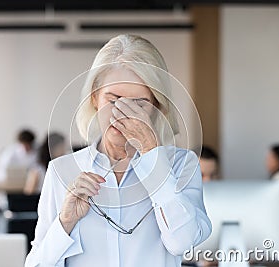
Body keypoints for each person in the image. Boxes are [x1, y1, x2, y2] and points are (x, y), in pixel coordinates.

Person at [25, 34, 211, 267]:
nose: (124, 113)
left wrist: (152, 154)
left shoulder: (182, 165)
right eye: (113, 100)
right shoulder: (62, 170)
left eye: (140, 103)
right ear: (95, 98)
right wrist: (65, 222)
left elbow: (183, 244)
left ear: (157, 107)